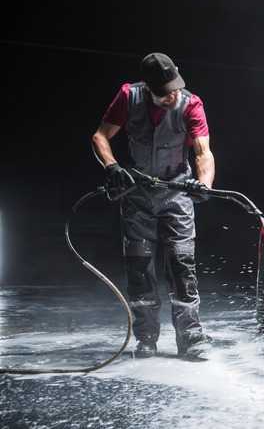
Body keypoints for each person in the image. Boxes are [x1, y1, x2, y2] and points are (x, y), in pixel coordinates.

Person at [91, 52, 215, 359]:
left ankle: (190, 336)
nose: (171, 95)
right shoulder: (128, 96)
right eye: (163, 91)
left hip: (177, 192)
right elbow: (100, 136)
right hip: (137, 193)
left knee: (181, 265)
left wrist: (204, 184)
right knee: (139, 268)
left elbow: (203, 153)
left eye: (174, 86)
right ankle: (145, 337)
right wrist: (112, 167)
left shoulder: (191, 104)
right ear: (146, 85)